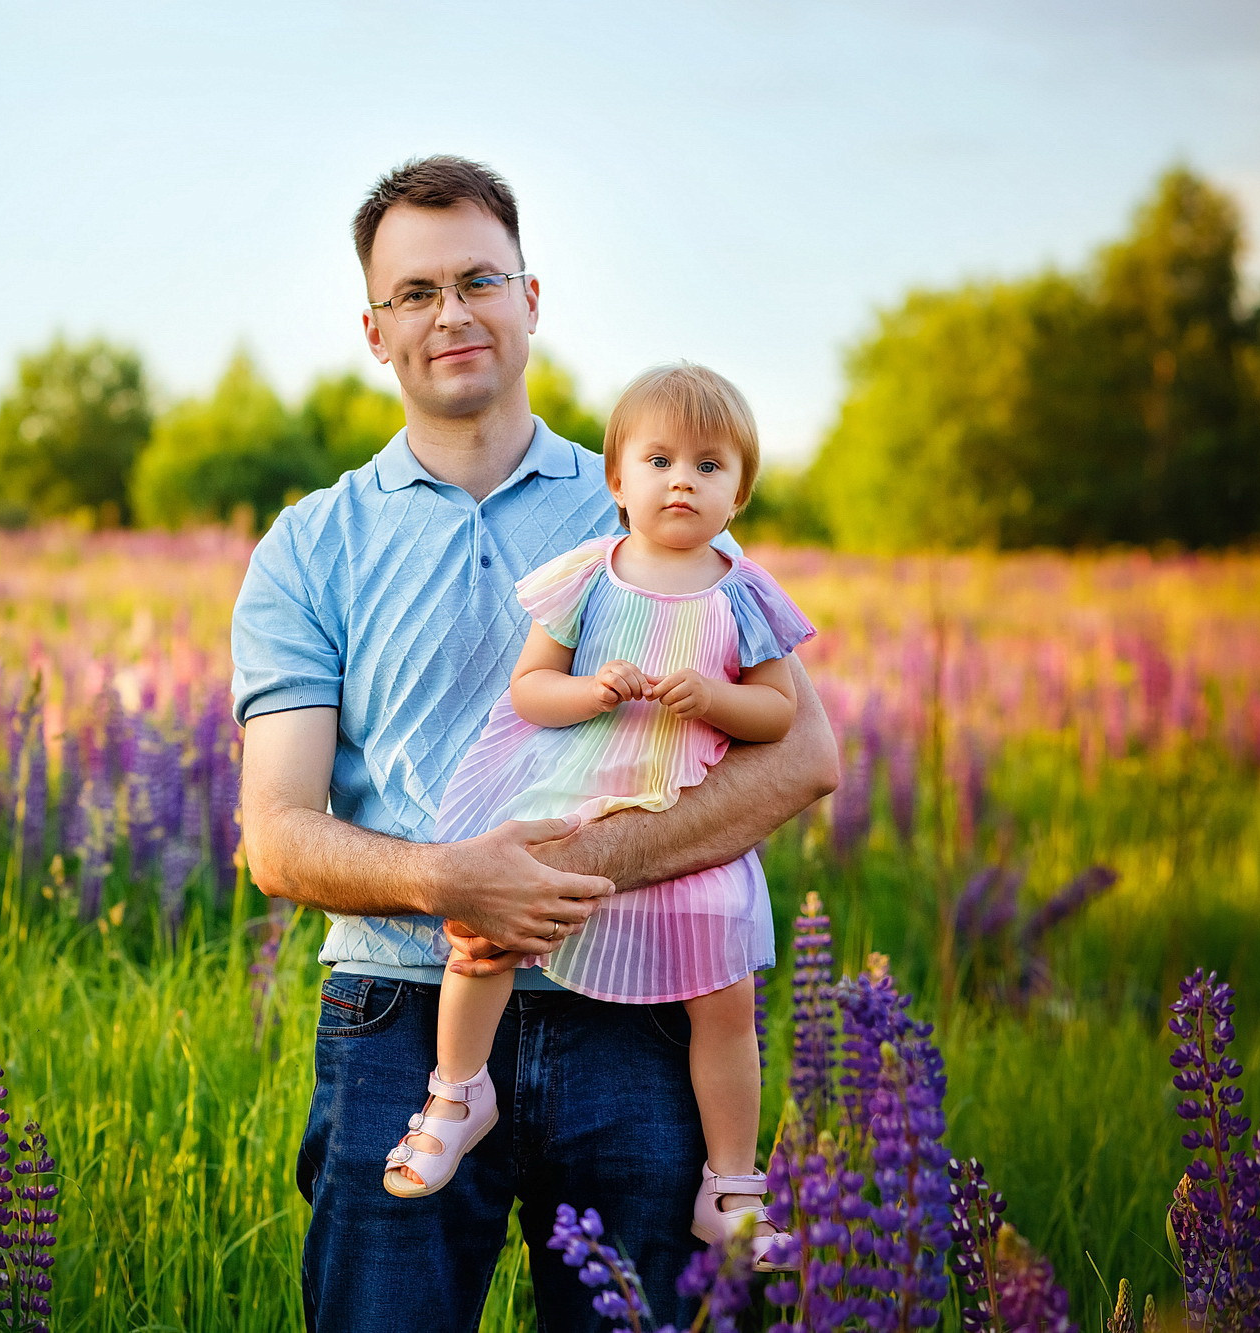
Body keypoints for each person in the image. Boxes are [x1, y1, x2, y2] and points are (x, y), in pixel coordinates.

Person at [232, 155, 838, 1330]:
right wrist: (448, 881)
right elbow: (278, 835)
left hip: (638, 1006)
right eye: (413, 293)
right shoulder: (309, 546)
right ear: (373, 330)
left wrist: (555, 877)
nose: (449, 313)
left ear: (530, 298)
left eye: (478, 278)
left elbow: (802, 753)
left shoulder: (648, 490)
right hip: (397, 1014)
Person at [379, 362, 810, 1276]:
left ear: (740, 491)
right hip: (571, 789)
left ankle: (732, 1184)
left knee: (726, 1002)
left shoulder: (744, 593)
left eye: (709, 464)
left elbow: (779, 716)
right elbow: (530, 689)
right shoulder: (588, 574)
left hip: (684, 817)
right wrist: (590, 690)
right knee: (486, 933)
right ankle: (458, 1092)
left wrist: (714, 699)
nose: (681, 479)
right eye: (658, 460)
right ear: (617, 481)